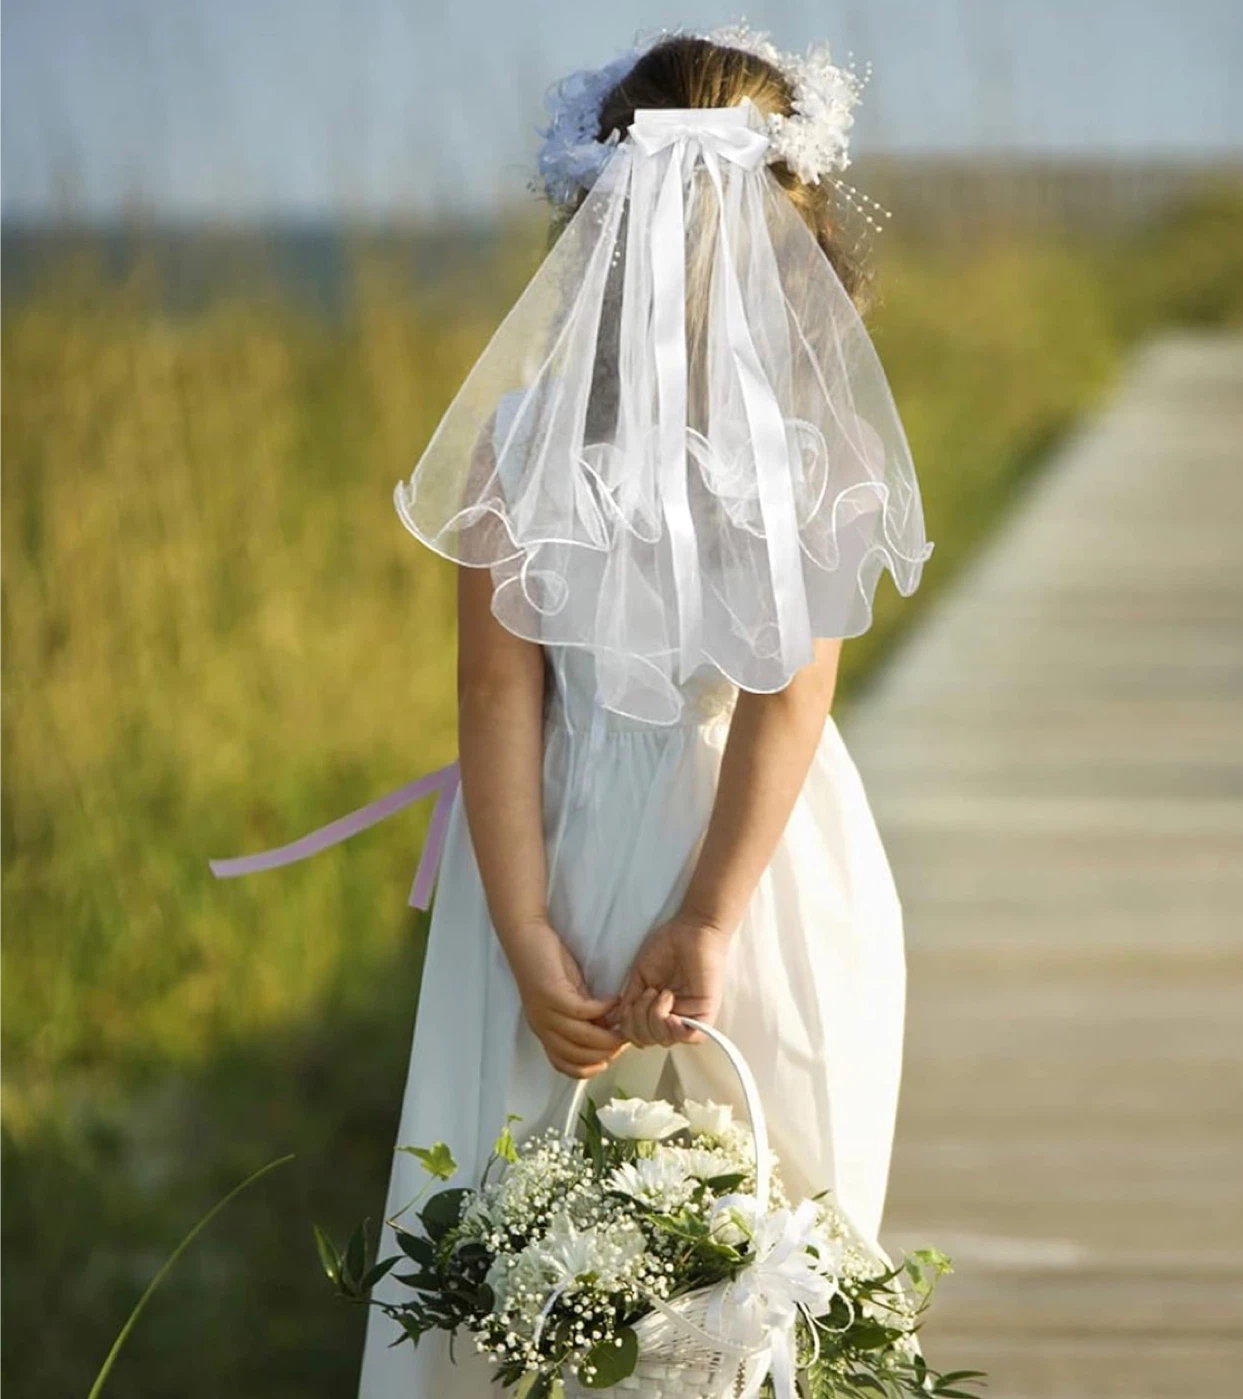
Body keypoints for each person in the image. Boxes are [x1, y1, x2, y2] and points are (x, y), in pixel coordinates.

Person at [214, 26, 932, 1398]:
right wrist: (711, 916)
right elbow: (788, 700)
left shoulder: (521, 443)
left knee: (520, 1215)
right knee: (772, 1225)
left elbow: (496, 691)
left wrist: (529, 931)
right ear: (800, 229)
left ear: (589, 226)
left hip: (555, 845)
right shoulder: (816, 451)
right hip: (763, 864)